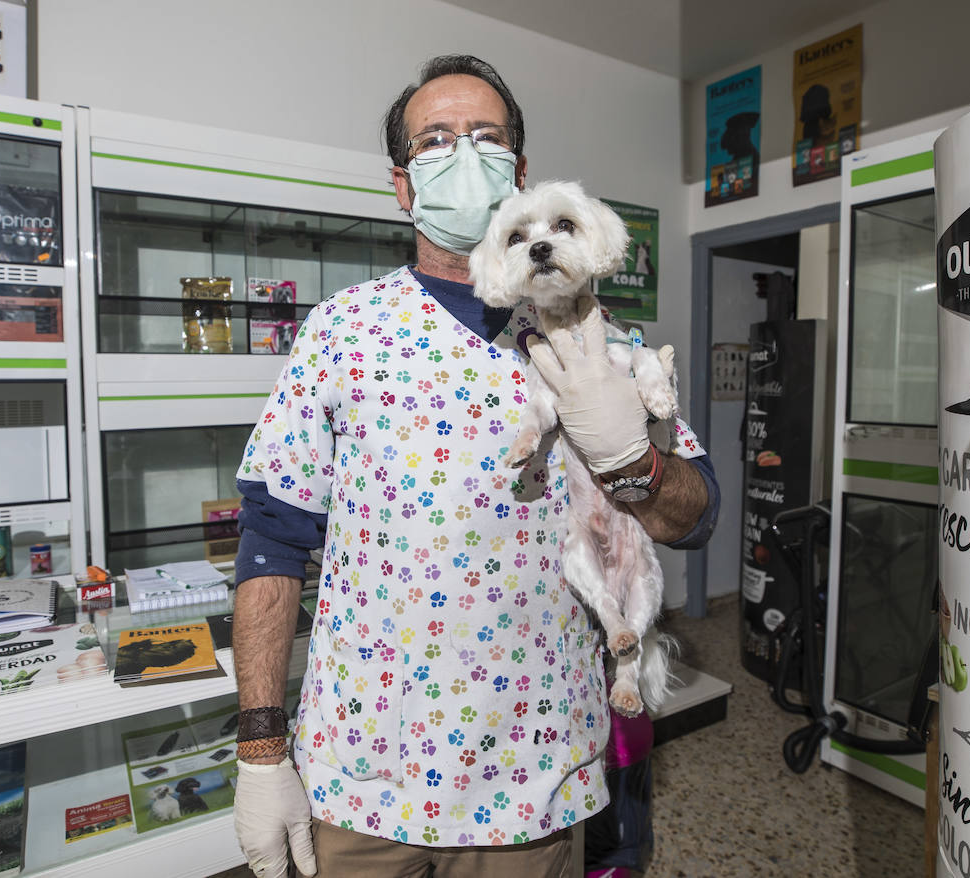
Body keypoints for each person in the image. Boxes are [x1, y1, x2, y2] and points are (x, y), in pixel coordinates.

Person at [229, 54, 720, 878]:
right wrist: (259, 749)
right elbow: (273, 539)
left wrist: (631, 459)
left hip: (532, 775)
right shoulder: (342, 331)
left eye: (486, 138)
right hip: (361, 774)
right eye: (435, 141)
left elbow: (695, 518)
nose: (463, 155)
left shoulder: (600, 336)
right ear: (402, 183)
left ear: (520, 171)